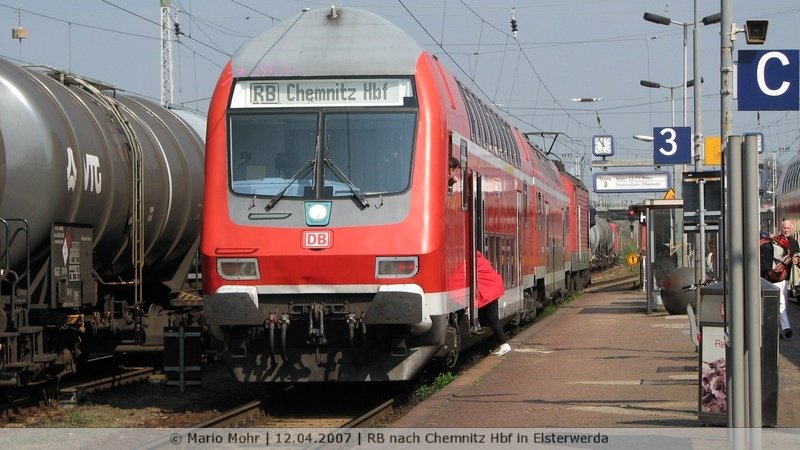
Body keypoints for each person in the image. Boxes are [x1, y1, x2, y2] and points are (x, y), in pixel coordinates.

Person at [476, 251, 511, 356]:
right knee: (486, 319)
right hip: (491, 291)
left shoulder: (475, 262)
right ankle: (502, 343)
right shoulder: (481, 260)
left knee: (493, 320)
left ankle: (504, 345)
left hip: (489, 293)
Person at [760, 232, 793, 339]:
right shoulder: (780, 245)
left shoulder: (762, 245)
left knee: (771, 305)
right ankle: (784, 327)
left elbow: (763, 265)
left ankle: (780, 329)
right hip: (778, 277)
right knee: (781, 303)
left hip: (767, 278)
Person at [779, 220, 799, 338]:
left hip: (789, 277)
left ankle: (778, 328)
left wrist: (796, 260)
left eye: (788, 228)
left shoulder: (794, 243)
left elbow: (798, 256)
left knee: (784, 304)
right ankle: (786, 328)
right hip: (778, 277)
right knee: (781, 303)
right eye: (784, 228)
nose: (786, 230)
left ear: (791, 229)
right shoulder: (776, 241)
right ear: (781, 229)